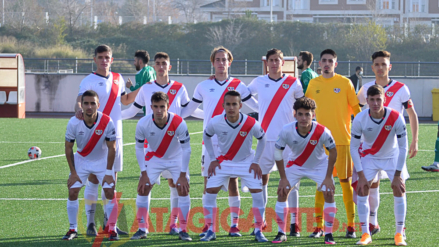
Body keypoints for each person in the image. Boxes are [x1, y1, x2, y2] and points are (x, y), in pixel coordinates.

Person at [181, 46, 259, 237]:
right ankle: (210, 226)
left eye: (224, 59)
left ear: (229, 62)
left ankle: (234, 225)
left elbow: (255, 106)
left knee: (233, 181)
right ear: (212, 62)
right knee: (208, 183)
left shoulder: (239, 86)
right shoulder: (203, 86)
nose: (221, 63)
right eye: (218, 59)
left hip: (233, 142)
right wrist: (169, 119)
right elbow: (188, 110)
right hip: (209, 142)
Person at [122, 51, 196, 235]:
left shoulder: (180, 87)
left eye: (164, 63)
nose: (161, 66)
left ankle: (175, 225)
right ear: (153, 67)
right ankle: (142, 228)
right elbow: (132, 111)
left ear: (169, 66)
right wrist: (111, 119)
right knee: (144, 185)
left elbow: (188, 111)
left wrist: (213, 116)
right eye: (158, 63)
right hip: (152, 148)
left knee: (176, 185)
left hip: (174, 147)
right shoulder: (146, 88)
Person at [75, 44, 137, 236]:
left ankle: (110, 224)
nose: (104, 60)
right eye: (100, 57)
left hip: (114, 135)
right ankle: (91, 223)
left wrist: (141, 88)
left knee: (111, 181)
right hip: (94, 134)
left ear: (112, 59)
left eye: (107, 57)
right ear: (95, 59)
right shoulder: (89, 80)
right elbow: (79, 99)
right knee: (94, 179)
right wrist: (78, 108)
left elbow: (125, 101)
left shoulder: (118, 78)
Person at [357, 50, 418, 236]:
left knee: (398, 186)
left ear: (389, 66)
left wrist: (414, 140)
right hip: (371, 148)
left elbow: (412, 115)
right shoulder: (365, 89)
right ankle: (373, 222)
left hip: (393, 148)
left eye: (384, 64)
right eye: (377, 64)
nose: (380, 67)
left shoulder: (402, 88)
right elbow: (358, 115)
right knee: (371, 185)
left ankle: (401, 230)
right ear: (372, 67)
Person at [247, 48, 304, 236]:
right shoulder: (259, 81)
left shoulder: (293, 82)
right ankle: (261, 221)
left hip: (288, 140)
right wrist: (259, 109)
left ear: (283, 62)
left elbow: (302, 106)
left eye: (277, 60)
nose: (274, 63)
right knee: (262, 179)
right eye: (271, 60)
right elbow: (243, 95)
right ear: (267, 63)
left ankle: (294, 223)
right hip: (265, 139)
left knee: (291, 181)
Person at [306, 49, 361, 238]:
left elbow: (356, 109)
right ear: (319, 64)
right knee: (321, 185)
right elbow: (307, 112)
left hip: (342, 142)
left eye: (330, 61)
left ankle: (351, 226)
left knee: (346, 184)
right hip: (319, 144)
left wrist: (362, 132)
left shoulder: (345, 83)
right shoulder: (313, 84)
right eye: (324, 61)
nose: (327, 63)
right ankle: (319, 226)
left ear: (335, 64)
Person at [201, 91, 267, 242]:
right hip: (224, 161)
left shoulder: (251, 122)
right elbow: (206, 135)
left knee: (257, 192)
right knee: (210, 191)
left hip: (247, 162)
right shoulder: (215, 121)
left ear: (240, 105)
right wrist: (213, 158)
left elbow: (263, 139)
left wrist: (256, 161)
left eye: (234, 104)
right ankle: (211, 230)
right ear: (223, 105)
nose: (231, 107)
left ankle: (258, 230)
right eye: (228, 104)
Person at [272, 97, 337, 245]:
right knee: (282, 191)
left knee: (329, 192)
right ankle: (281, 232)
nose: (303, 118)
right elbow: (277, 152)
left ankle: (328, 234)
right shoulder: (287, 130)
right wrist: (282, 178)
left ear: (313, 115)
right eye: (300, 114)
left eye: (307, 114)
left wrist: (328, 177)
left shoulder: (322, 131)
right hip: (296, 165)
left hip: (319, 165)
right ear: (295, 114)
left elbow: (333, 152)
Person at [351, 85, 408, 246]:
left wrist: (397, 176)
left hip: (392, 157)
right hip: (370, 157)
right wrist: (361, 176)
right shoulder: (360, 118)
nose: (375, 103)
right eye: (372, 100)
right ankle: (365, 234)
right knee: (362, 189)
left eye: (378, 99)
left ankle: (399, 233)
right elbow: (353, 148)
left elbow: (403, 147)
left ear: (384, 100)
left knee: (399, 188)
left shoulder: (396, 117)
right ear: (367, 100)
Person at [131, 92, 192, 241]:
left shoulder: (178, 122)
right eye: (156, 107)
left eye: (162, 107)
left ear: (168, 106)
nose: (159, 110)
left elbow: (187, 149)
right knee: (143, 188)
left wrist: (183, 175)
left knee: (183, 189)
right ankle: (142, 229)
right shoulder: (143, 123)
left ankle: (183, 229)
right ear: (151, 107)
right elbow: (139, 148)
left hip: (176, 158)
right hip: (154, 157)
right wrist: (143, 173)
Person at [63, 90, 119, 241]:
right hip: (81, 159)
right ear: (81, 105)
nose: (89, 107)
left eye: (92, 103)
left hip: (102, 160)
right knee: (73, 191)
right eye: (86, 103)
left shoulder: (107, 121)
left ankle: (112, 230)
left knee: (109, 191)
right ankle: (72, 229)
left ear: (98, 105)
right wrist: (73, 172)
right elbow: (69, 148)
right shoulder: (74, 122)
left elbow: (112, 148)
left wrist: (108, 172)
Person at [126, 50, 156, 116]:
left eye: (135, 61)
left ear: (140, 62)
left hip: (148, 104)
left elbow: (137, 93)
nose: (134, 63)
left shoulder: (141, 73)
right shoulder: (151, 69)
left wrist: (130, 86)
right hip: (156, 101)